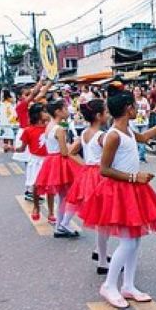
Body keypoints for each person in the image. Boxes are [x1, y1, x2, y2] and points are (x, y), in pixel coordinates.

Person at [79, 91, 156, 310]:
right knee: (128, 242)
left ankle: (128, 285)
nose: (137, 109)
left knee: (135, 241)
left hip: (133, 189)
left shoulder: (127, 130)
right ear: (128, 108)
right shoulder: (113, 135)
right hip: (119, 190)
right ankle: (109, 285)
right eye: (135, 106)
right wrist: (133, 177)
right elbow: (104, 169)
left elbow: (144, 138)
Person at [61, 99, 110, 264]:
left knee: (100, 215)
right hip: (101, 175)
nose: (108, 115)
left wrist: (85, 165)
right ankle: (102, 258)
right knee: (104, 216)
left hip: (88, 173)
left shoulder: (84, 133)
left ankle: (100, 252)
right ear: (98, 116)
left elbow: (71, 152)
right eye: (106, 112)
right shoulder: (102, 136)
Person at [36, 100, 78, 235]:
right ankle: (62, 224)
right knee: (69, 195)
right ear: (58, 111)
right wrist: (76, 144)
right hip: (59, 161)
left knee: (62, 196)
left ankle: (60, 226)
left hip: (51, 160)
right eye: (65, 108)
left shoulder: (49, 126)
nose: (67, 111)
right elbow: (65, 152)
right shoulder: (59, 129)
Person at [20, 103, 49, 220]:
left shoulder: (51, 128)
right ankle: (36, 207)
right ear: (37, 115)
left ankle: (51, 211)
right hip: (36, 160)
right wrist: (12, 148)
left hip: (49, 160)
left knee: (51, 186)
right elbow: (22, 148)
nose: (47, 114)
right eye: (44, 111)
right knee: (36, 185)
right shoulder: (28, 130)